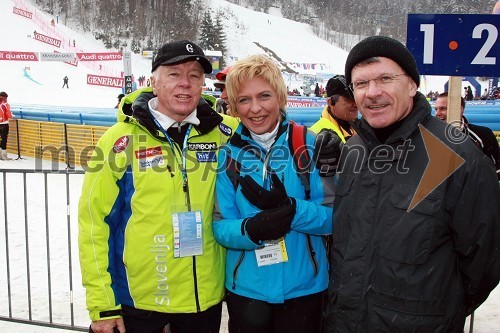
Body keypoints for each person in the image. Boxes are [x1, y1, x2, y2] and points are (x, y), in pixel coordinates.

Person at [323, 36, 500, 332]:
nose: (373, 93)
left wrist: (439, 311)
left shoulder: (456, 154)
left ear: (412, 85)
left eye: (385, 78)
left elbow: (484, 261)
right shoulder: (352, 151)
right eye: (361, 84)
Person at [78, 39, 238, 333]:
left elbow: (270, 135)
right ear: (153, 81)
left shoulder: (225, 133)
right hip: (139, 303)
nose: (185, 84)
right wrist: (102, 304)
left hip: (203, 301)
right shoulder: (119, 139)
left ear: (203, 84)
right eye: (174, 74)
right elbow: (93, 223)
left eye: (194, 75)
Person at [213, 54, 336, 333]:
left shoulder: (309, 145)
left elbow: (334, 218)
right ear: (233, 106)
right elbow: (220, 226)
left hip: (305, 288)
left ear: (280, 96)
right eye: (244, 99)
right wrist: (251, 229)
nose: (255, 108)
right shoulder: (228, 156)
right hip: (247, 290)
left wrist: (292, 211)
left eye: (264, 96)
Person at [434, 92, 500, 180]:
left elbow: (496, 167)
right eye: (436, 109)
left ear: (459, 109)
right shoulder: (430, 135)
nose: (437, 114)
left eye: (443, 109)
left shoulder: (482, 134)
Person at [310, 75, 358, 142]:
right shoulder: (316, 136)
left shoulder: (360, 127)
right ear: (330, 102)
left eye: (356, 98)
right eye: (349, 99)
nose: (356, 104)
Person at [0, 91, 13, 160]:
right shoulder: (5, 104)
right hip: (4, 124)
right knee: (4, 139)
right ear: (4, 98)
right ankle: (4, 155)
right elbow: (9, 115)